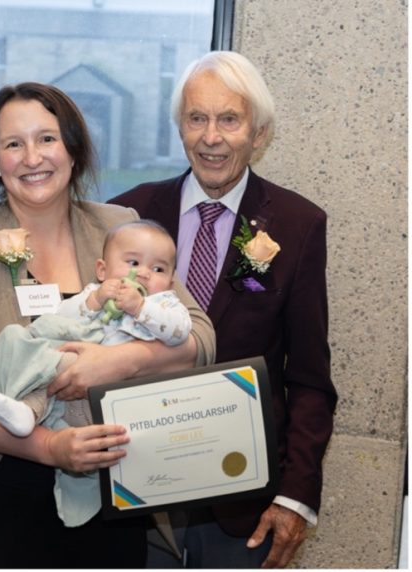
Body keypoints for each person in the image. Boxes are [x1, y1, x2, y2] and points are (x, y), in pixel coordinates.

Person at [0, 82, 216, 568]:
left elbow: (200, 338)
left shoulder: (120, 228)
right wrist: (51, 447)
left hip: (111, 489)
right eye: (13, 144)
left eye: (47, 139)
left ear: (73, 149)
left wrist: (120, 361)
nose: (32, 157)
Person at [109, 51, 337, 569]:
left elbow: (309, 378)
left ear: (259, 134)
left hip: (242, 504)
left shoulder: (299, 225)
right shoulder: (129, 213)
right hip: (136, 491)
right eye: (197, 118)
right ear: (180, 128)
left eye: (229, 119)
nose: (211, 137)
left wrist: (296, 496)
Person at [0, 219, 192, 528]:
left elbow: (179, 333)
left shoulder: (165, 304)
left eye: (158, 269)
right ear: (102, 270)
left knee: (92, 436)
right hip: (67, 397)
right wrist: (94, 301)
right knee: (48, 357)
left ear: (171, 282)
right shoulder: (95, 293)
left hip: (119, 403)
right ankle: (27, 412)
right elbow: (59, 318)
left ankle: (87, 468)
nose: (144, 273)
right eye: (133, 263)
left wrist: (141, 308)